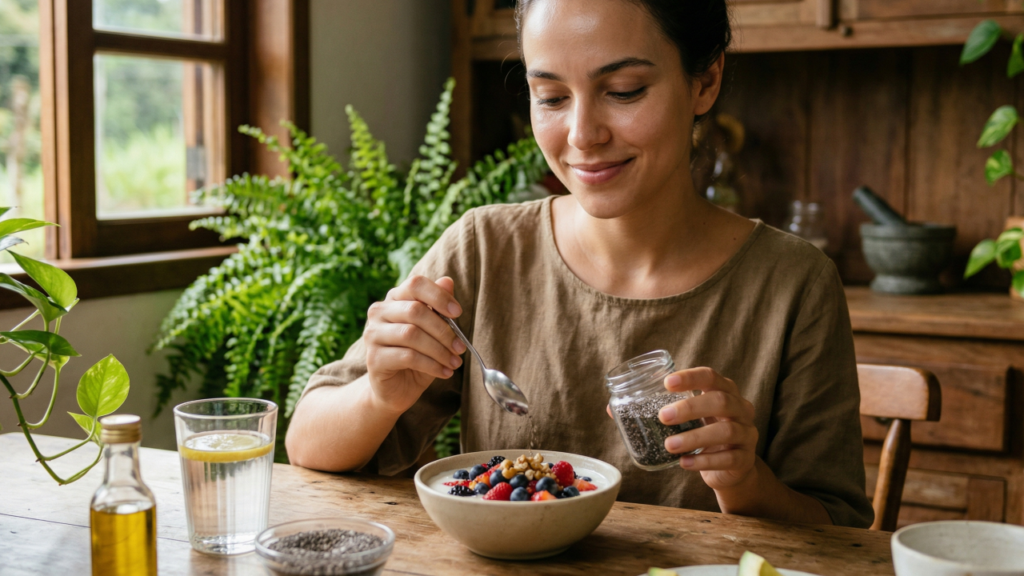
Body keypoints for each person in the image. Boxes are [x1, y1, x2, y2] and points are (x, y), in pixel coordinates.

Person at [286, 0, 873, 528]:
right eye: (551, 97)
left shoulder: (794, 283)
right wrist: (379, 396)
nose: (582, 134)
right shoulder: (486, 248)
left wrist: (746, 482)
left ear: (705, 81)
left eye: (624, 90)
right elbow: (306, 445)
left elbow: (840, 531)